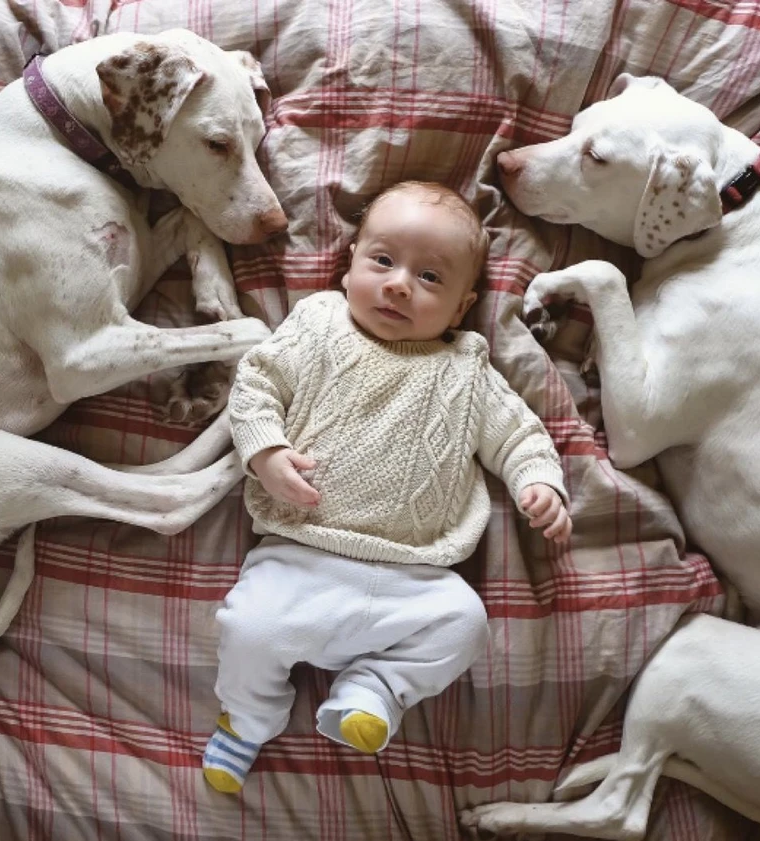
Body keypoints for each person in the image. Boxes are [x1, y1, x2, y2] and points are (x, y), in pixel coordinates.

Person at [203, 181, 572, 793]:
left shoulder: (467, 370)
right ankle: (247, 718)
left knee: (465, 623)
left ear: (460, 308)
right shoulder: (318, 324)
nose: (400, 283)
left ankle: (373, 690)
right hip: (301, 557)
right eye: (383, 261)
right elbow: (256, 385)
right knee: (246, 627)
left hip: (417, 579)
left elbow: (520, 435)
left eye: (430, 278)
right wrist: (265, 452)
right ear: (348, 267)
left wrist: (541, 483)